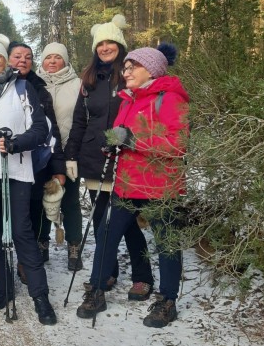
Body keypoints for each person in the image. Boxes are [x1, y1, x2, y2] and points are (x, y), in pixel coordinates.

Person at [81, 44, 188, 327]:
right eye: (125, 67)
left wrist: (131, 142)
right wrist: (110, 143)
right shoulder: (128, 99)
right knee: (106, 235)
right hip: (127, 184)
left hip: (162, 187)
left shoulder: (171, 98)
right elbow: (120, 133)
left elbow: (178, 145)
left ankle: (167, 301)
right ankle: (97, 289)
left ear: (150, 70)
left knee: (167, 244)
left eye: (132, 68)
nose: (125, 72)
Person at [64, 15, 153, 302]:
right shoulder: (88, 79)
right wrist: (71, 155)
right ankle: (108, 271)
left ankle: (142, 276)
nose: (105, 47)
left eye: (110, 42)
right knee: (101, 217)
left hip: (124, 158)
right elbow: (79, 119)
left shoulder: (130, 75)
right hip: (92, 158)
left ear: (120, 44)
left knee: (126, 221)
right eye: (100, 43)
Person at [0, 33, 57, 325]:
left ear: (4, 60)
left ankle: (40, 296)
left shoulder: (22, 88)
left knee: (21, 231)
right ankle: (4, 287)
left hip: (17, 170)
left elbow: (40, 129)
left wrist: (17, 143)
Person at [7, 41, 67, 283]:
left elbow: (52, 131)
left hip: (34, 164)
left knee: (29, 216)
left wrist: (58, 167)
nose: (23, 60)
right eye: (17, 56)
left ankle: (25, 261)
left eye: (28, 57)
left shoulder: (39, 89)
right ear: (7, 58)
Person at [36, 42, 84, 271]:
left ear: (66, 61)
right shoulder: (33, 84)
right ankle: (41, 242)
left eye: (57, 57)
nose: (52, 62)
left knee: (70, 201)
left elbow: (83, 120)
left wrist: (72, 154)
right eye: (48, 57)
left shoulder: (79, 85)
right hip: (42, 154)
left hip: (70, 154)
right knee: (40, 200)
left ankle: (74, 246)